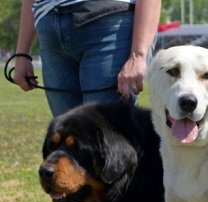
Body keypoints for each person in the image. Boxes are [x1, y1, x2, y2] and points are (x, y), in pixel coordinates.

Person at [13, 0, 161, 117]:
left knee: (104, 137)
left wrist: (138, 55)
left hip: (109, 24)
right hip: (49, 27)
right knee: (69, 139)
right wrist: (21, 53)